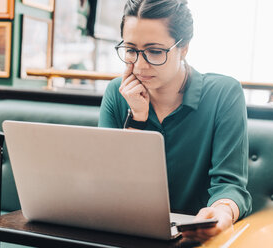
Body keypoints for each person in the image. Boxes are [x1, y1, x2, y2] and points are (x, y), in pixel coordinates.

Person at [98, 0, 252, 242]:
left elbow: (229, 185)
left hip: (193, 240)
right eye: (130, 50)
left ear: (184, 48)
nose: (139, 65)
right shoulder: (117, 93)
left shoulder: (223, 93)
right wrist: (136, 119)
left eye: (155, 51)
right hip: (127, 236)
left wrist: (221, 212)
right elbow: (109, 186)